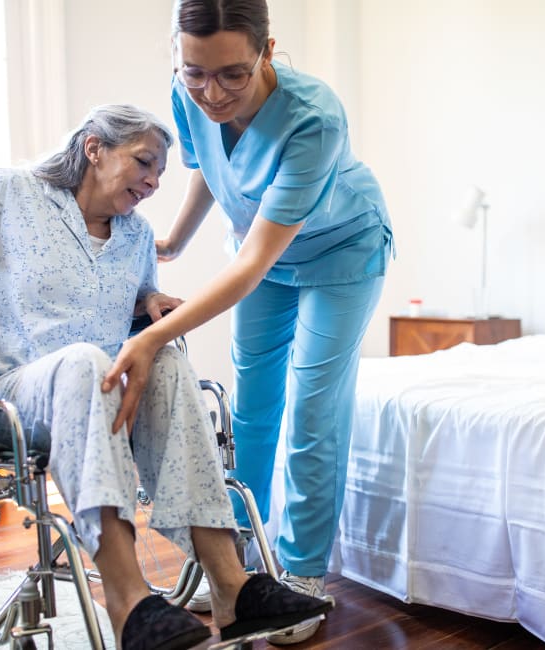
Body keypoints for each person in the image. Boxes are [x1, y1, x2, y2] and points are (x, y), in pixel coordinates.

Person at [0, 104, 332, 650]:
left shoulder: (136, 235)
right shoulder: (12, 193)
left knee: (167, 358)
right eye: (144, 162)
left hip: (108, 400)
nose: (154, 182)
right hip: (16, 396)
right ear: (94, 148)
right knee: (85, 359)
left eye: (160, 173)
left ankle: (232, 587)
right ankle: (128, 603)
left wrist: (150, 300)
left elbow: (125, 300)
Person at [102, 2, 393, 644]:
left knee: (313, 408)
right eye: (195, 74)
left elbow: (257, 260)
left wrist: (152, 337)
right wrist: (173, 240)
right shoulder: (190, 90)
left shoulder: (313, 118)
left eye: (232, 75)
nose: (212, 93)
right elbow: (213, 168)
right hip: (260, 251)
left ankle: (303, 573)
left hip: (339, 253)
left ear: (268, 51)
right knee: (252, 410)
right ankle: (237, 566)